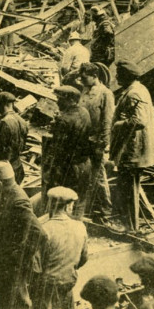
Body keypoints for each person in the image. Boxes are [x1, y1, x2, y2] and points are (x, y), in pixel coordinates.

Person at [0, 161, 46, 309]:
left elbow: (37, 233)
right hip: (5, 262)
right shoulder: (7, 194)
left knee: (21, 303)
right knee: (4, 298)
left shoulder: (19, 200)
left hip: (14, 263)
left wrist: (21, 259)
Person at [110, 61, 154, 231]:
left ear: (126, 76)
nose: (116, 77)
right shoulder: (138, 89)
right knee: (130, 188)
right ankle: (131, 225)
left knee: (128, 190)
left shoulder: (134, 93)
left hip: (132, 150)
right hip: (133, 148)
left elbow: (140, 121)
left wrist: (119, 124)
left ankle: (130, 227)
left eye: (119, 74)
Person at [32, 187, 88, 309]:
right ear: (69, 206)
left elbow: (36, 266)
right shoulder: (80, 227)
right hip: (69, 280)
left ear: (50, 205)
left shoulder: (43, 228)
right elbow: (84, 258)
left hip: (47, 283)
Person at [43, 85, 92, 217]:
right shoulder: (84, 112)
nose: (57, 102)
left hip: (67, 168)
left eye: (59, 99)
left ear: (69, 100)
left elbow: (57, 149)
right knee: (79, 200)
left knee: (62, 201)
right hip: (83, 164)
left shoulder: (63, 120)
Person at [78, 63, 115, 221]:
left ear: (95, 76)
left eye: (85, 76)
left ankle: (105, 211)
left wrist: (103, 143)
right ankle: (87, 209)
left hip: (96, 141)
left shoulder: (105, 94)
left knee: (99, 177)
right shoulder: (84, 90)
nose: (82, 79)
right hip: (83, 140)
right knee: (85, 175)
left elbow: (108, 121)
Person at [0, 92, 29, 184]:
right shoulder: (21, 120)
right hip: (18, 165)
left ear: (3, 104)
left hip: (6, 168)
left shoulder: (4, 122)